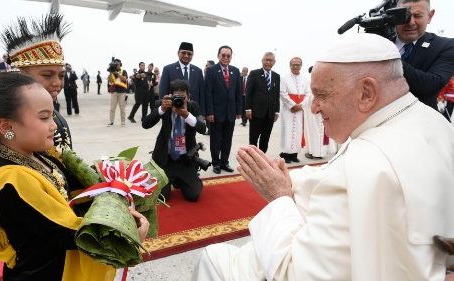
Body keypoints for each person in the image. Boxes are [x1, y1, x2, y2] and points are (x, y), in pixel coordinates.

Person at [192, 33, 454, 281]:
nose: (314, 107)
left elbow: (293, 273)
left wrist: (278, 198)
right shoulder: (434, 122)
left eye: (322, 95)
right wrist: (290, 181)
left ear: (366, 93)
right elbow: (336, 177)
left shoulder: (365, 163)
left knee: (213, 258)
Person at [0, 69, 149, 281]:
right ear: (7, 126)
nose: (54, 125)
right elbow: (71, 234)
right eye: (44, 117)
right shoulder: (12, 181)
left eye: (53, 114)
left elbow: (74, 191)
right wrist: (124, 234)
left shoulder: (37, 155)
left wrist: (117, 187)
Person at [0, 13, 73, 148]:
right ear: (20, 75)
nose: (57, 83)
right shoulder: (12, 124)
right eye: (47, 75)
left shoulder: (57, 117)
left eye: (61, 76)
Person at [142, 79, 206, 202]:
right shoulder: (163, 105)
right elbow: (145, 124)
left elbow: (203, 129)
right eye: (176, 97)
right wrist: (162, 109)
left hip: (185, 160)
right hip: (165, 160)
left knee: (193, 196)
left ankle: (187, 178)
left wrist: (186, 115)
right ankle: (174, 180)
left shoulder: (193, 106)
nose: (179, 101)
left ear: (188, 96)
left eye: (183, 97)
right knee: (162, 197)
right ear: (170, 96)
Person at [395, 0, 454, 111]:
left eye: (417, 16)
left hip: (419, 122)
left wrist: (387, 54)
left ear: (430, 16)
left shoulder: (446, 46)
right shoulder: (376, 39)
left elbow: (431, 86)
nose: (411, 22)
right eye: (405, 15)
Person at [205, 45, 242, 174]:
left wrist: (238, 111)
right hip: (215, 113)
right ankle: (216, 163)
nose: (226, 58)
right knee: (215, 139)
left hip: (230, 112)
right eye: (223, 55)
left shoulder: (236, 71)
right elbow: (208, 92)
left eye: (228, 55)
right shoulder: (211, 71)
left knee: (227, 139)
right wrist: (209, 112)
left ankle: (224, 162)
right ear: (218, 56)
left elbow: (238, 92)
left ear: (231, 57)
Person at [245, 52, 280, 153]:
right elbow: (248, 92)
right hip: (256, 113)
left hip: (270, 113)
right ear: (262, 60)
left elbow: (276, 94)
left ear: (274, 62)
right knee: (253, 138)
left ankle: (262, 159)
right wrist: (248, 109)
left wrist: (277, 111)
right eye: (266, 60)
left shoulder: (276, 76)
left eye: (271, 60)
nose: (268, 62)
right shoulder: (254, 73)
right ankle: (252, 157)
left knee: (265, 138)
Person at [159, 42, 205, 115]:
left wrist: (202, 113)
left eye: (189, 54)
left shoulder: (198, 71)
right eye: (183, 53)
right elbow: (163, 92)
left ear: (192, 55)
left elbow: (202, 94)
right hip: (173, 111)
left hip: (193, 112)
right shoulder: (168, 69)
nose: (186, 56)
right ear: (178, 53)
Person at [279, 57, 310, 163]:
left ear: (301, 66)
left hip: (300, 110)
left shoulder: (305, 79)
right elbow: (282, 93)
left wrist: (300, 105)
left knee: (298, 132)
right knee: (288, 131)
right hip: (289, 110)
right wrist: (292, 105)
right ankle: (286, 155)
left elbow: (308, 94)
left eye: (298, 64)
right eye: (293, 64)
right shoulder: (284, 78)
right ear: (290, 65)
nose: (296, 66)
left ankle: (294, 155)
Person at [304, 65, 327, 160]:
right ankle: (316, 152)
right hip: (314, 110)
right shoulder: (312, 83)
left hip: (316, 110)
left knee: (318, 131)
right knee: (316, 131)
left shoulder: (315, 83)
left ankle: (317, 153)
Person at [107, 58, 128, 127]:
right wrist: (110, 74)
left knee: (122, 108)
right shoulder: (112, 71)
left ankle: (123, 122)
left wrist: (117, 74)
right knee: (112, 108)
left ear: (120, 64)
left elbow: (124, 79)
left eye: (117, 64)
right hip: (114, 91)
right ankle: (111, 122)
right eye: (115, 64)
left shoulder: (123, 71)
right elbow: (110, 82)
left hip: (122, 92)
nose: (116, 65)